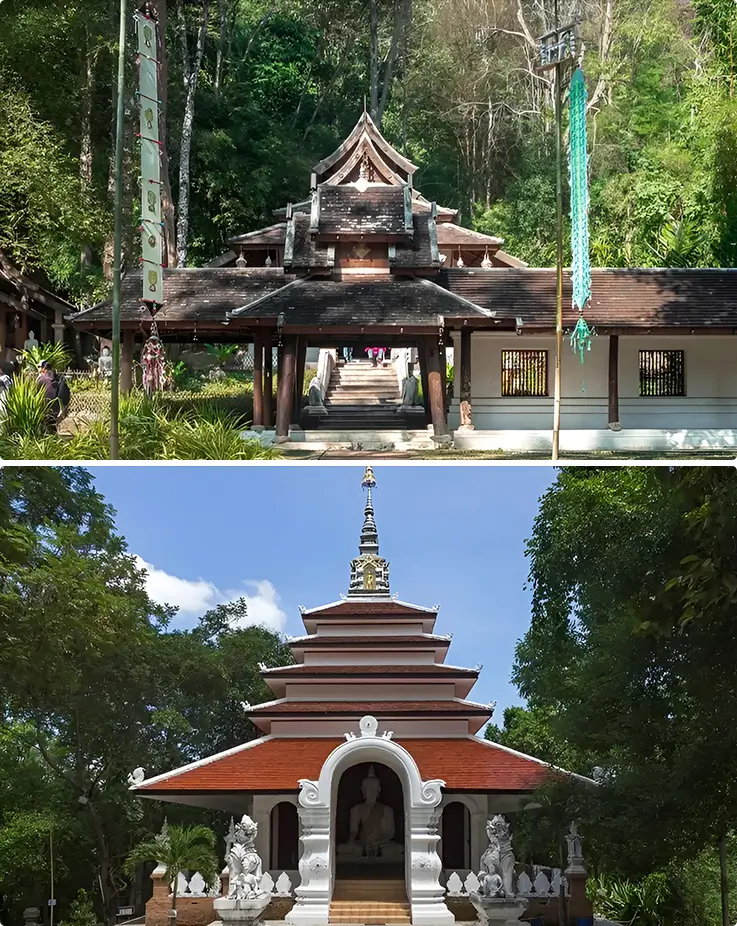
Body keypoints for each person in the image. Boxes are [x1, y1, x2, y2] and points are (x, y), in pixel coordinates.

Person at [37, 360, 70, 428]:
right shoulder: (57, 377)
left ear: (43, 369)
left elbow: (36, 393)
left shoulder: (41, 379)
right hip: (56, 406)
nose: (38, 369)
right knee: (53, 425)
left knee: (46, 425)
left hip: (46, 406)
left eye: (39, 367)